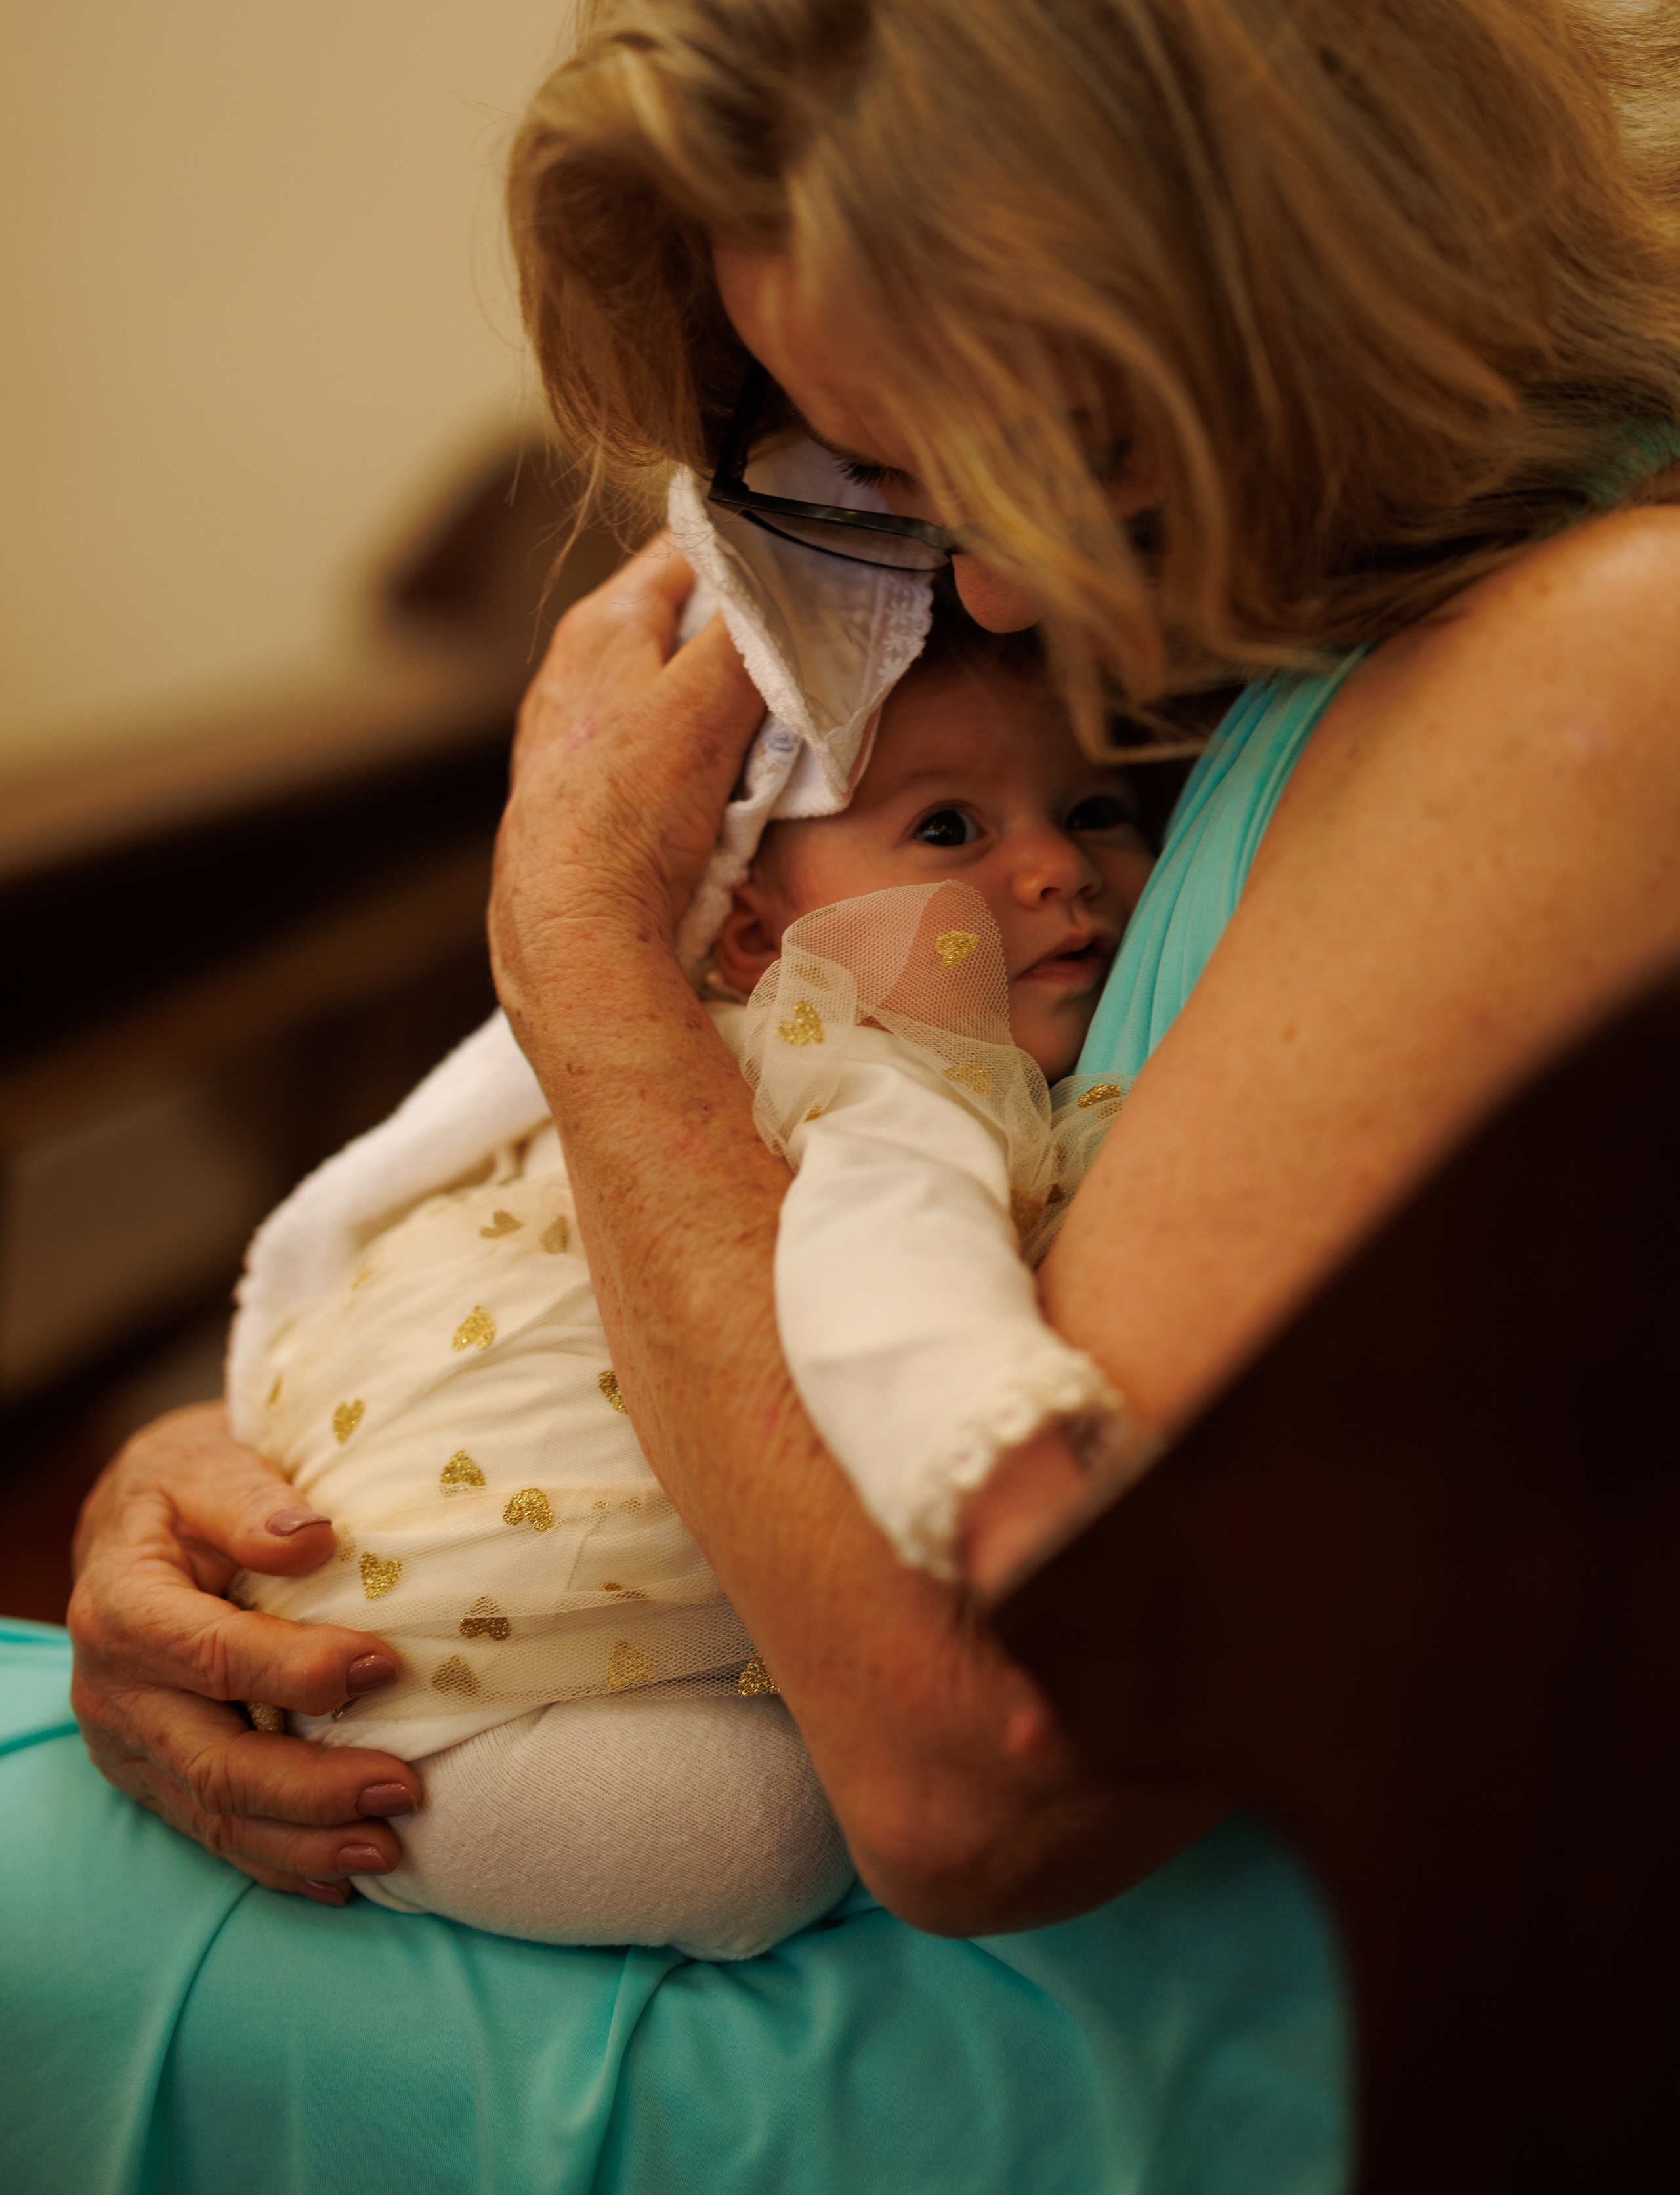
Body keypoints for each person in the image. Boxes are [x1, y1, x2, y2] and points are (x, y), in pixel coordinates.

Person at [11, 0, 1680, 2188]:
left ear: (1315, 258)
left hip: (1204, 2027)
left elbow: (966, 1768)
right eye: (896, 481)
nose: (993, 584)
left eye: (1050, 448)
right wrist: (294, 1480)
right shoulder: (1279, 642)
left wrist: (586, 968)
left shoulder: (1597, 671)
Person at [226, 610, 1151, 1956]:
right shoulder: (882, 1074)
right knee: (760, 1841)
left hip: (346, 1589)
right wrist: (1007, 1456)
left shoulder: (698, 1069)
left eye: (1094, 806)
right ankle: (382, 1836)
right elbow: (888, 1266)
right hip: (444, 1686)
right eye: (947, 829)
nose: (1059, 866)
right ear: (758, 941)